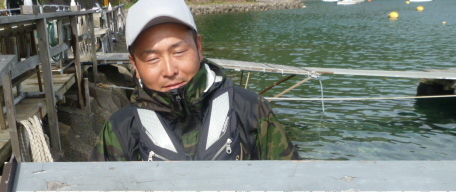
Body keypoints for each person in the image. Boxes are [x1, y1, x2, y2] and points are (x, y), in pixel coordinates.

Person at [92, 0, 300, 161]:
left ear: (199, 48)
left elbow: (291, 183)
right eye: (152, 58)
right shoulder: (120, 129)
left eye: (179, 52)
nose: (170, 70)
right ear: (135, 65)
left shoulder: (250, 110)